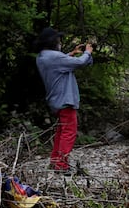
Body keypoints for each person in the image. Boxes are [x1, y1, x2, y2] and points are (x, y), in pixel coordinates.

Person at [34, 27, 93, 172]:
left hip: (56, 100)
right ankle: (61, 165)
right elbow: (80, 63)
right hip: (65, 100)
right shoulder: (54, 57)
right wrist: (88, 52)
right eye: (58, 40)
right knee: (69, 132)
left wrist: (71, 53)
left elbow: (59, 63)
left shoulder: (42, 56)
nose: (59, 42)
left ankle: (55, 161)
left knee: (61, 130)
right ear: (53, 41)